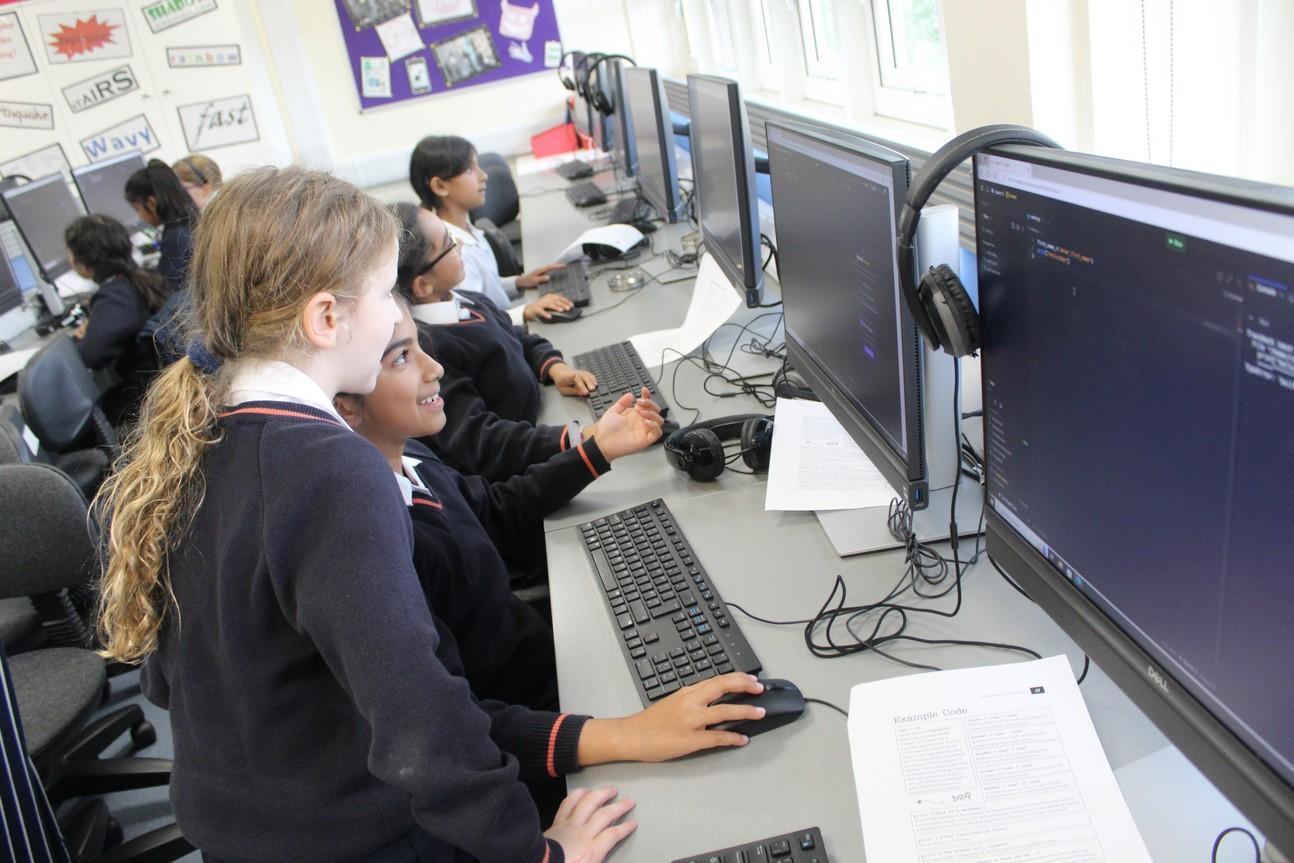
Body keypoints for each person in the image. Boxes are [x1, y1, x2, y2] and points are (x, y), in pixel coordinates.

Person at [97, 166, 732, 862]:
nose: (393, 309)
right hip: (353, 840)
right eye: (380, 292)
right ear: (327, 318)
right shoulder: (331, 468)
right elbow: (420, 721)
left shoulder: (206, 436)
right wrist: (536, 854)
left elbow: (169, 682)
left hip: (246, 830)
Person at [335, 296, 664, 708]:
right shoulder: (380, 537)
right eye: (401, 358)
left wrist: (599, 450)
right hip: (539, 705)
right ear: (345, 405)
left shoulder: (413, 457)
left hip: (547, 659)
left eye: (420, 346)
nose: (435, 368)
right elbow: (458, 715)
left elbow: (495, 513)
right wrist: (620, 734)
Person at [393, 201, 613, 481]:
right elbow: (484, 442)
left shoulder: (468, 301)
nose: (461, 244)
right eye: (449, 244)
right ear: (423, 285)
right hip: (526, 464)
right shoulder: (432, 352)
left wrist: (555, 368)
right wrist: (576, 437)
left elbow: (518, 337)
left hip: (542, 424)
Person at [409, 134, 572, 324]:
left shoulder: (469, 231)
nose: (483, 175)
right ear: (440, 186)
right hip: (498, 330)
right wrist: (525, 312)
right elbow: (473, 318)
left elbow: (486, 289)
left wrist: (518, 282)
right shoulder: (453, 253)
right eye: (470, 169)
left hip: (502, 323)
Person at [64, 214, 171, 424]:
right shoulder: (144, 277)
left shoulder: (115, 296)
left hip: (147, 394)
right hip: (163, 383)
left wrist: (82, 338)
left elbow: (91, 355)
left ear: (84, 263)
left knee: (86, 419)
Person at [123, 159, 198, 293]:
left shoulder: (175, 238)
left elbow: (167, 288)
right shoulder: (191, 220)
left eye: (137, 208)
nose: (139, 216)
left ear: (151, 203)